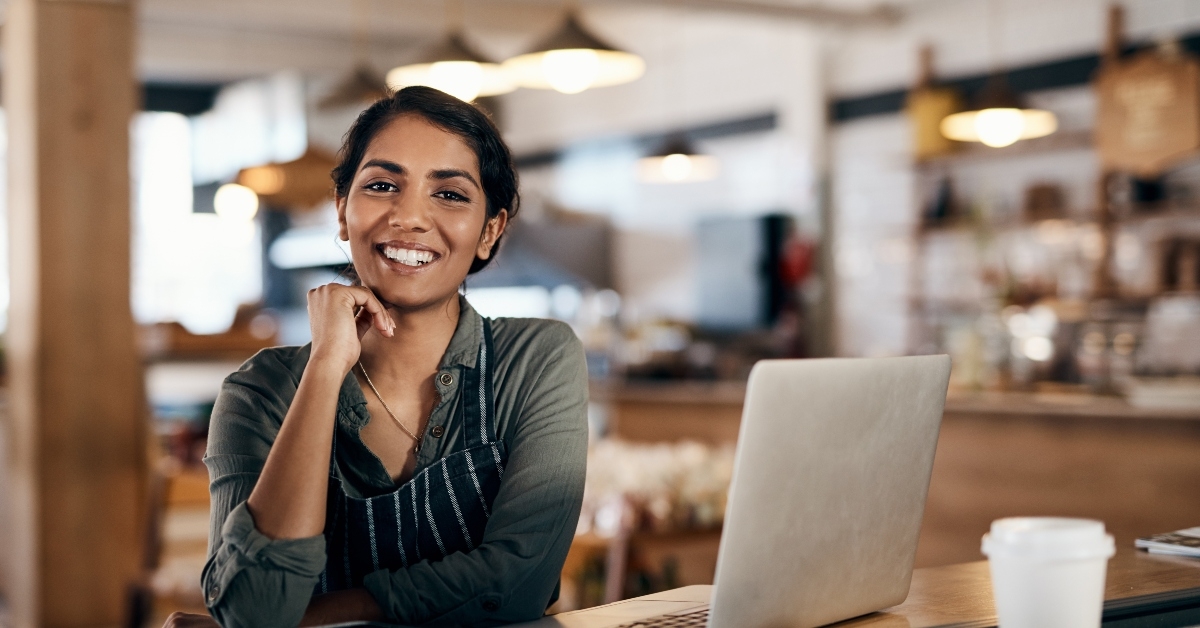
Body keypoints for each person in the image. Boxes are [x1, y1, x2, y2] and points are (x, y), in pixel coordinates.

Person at [165, 86, 589, 628]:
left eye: (451, 195)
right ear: (342, 213)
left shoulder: (534, 359)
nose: (409, 217)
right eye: (383, 185)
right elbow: (253, 606)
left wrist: (315, 618)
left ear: (490, 231)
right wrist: (323, 369)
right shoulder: (260, 391)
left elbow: (518, 584)